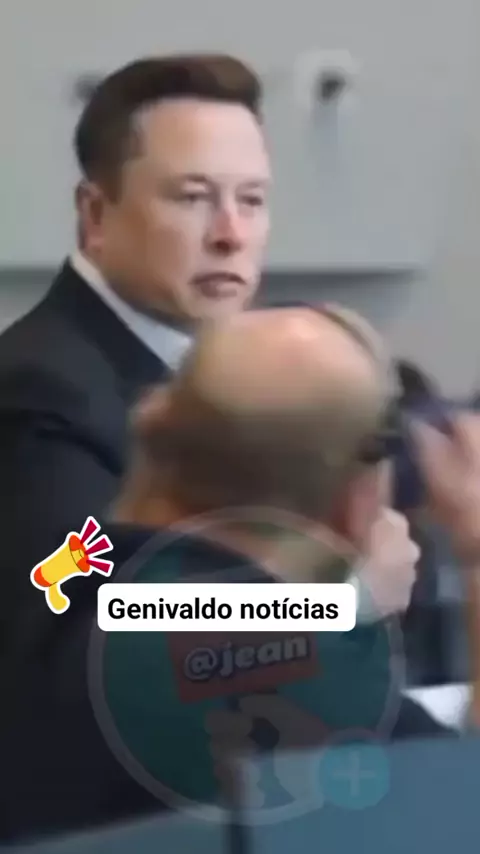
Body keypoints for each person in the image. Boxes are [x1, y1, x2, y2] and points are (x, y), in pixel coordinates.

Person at [5, 305, 480, 843]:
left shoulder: (56, 596)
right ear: (356, 502)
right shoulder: (317, 690)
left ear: (152, 432)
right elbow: (461, 806)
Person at [0, 53, 270, 626]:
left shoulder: (241, 382)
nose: (231, 235)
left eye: (251, 200)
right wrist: (336, 601)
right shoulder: (39, 388)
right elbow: (85, 608)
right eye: (193, 197)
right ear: (96, 214)